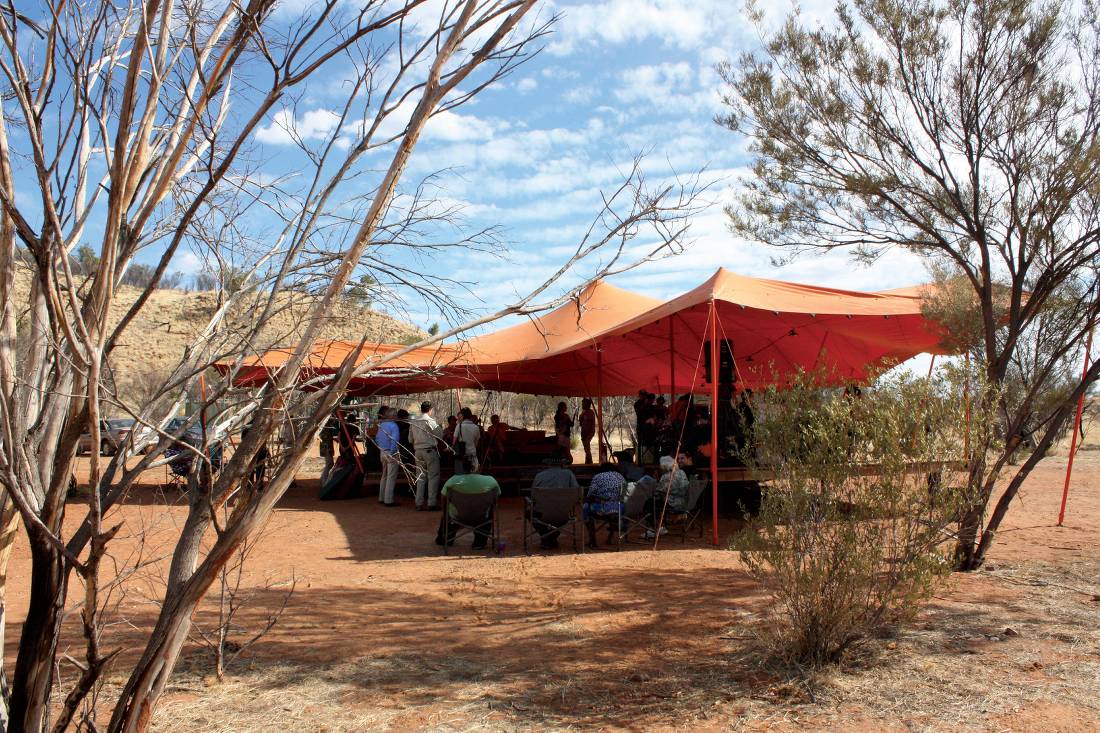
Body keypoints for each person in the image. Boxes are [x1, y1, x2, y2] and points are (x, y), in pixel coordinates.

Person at [435, 472, 500, 549]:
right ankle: (479, 542)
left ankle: (444, 539)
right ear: (478, 467)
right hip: (481, 517)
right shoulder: (491, 481)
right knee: (489, 512)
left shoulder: (452, 480)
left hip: (457, 517)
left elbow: (444, 499)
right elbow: (495, 500)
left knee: (447, 513)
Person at [530, 450, 581, 549]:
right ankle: (551, 538)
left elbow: (533, 496)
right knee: (560, 517)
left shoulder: (539, 476)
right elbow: (577, 493)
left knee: (530, 513)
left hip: (543, 513)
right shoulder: (568, 474)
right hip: (563, 513)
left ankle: (546, 538)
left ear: (548, 463)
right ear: (563, 463)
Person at [409, 401, 444, 511]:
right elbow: (440, 435)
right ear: (430, 410)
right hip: (429, 451)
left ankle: (419, 503)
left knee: (420, 477)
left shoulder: (414, 422)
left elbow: (410, 439)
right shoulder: (430, 421)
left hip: (417, 451)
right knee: (433, 476)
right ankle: (431, 503)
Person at [645, 455, 689, 539]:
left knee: (650, 503)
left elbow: (658, 492)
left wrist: (655, 481)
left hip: (673, 504)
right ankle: (659, 526)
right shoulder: (682, 472)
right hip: (685, 502)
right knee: (656, 503)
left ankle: (655, 528)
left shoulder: (666, 476)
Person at [583, 463, 626, 547]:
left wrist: (588, 500)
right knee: (612, 510)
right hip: (620, 508)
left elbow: (590, 495)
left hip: (603, 509)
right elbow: (624, 494)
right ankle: (610, 536)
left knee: (585, 508)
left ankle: (592, 540)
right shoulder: (620, 476)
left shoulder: (598, 477)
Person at [376, 407, 401, 506]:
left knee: (384, 475)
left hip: (382, 452)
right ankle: (388, 500)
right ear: (393, 416)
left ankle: (381, 497)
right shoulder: (394, 426)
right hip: (391, 453)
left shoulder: (381, 425)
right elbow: (395, 441)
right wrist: (392, 452)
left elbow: (377, 439)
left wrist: (382, 449)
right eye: (396, 415)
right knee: (391, 476)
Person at [452, 407, 481, 474]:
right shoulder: (476, 427)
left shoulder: (459, 426)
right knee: (473, 478)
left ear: (462, 416)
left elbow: (454, 442)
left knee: (461, 478)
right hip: (473, 455)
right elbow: (476, 443)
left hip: (461, 457)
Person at [318, 416, 337, 486]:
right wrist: (328, 449)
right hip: (326, 446)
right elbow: (325, 438)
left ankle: (322, 479)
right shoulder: (326, 427)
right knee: (329, 463)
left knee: (329, 463)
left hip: (327, 446)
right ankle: (324, 482)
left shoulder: (326, 427)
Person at [578, 398, 597, 464]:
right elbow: (580, 423)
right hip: (584, 432)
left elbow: (590, 423)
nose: (582, 405)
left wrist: (589, 434)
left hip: (588, 432)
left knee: (587, 448)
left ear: (587, 404)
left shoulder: (590, 412)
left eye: (583, 403)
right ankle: (588, 462)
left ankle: (590, 462)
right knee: (586, 448)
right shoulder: (584, 412)